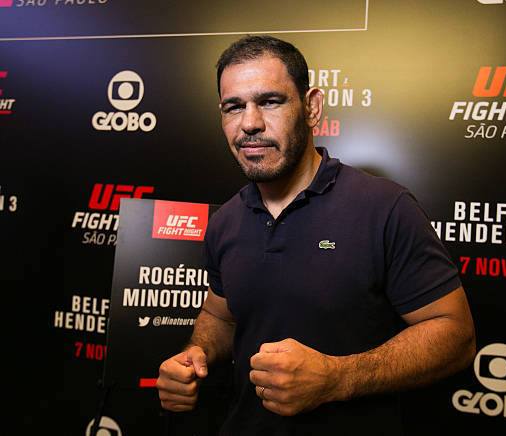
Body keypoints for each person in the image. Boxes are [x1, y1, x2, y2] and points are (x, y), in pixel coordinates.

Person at [156, 35, 476, 435]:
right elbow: (220, 315)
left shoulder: (385, 207)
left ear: (311, 107)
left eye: (270, 101)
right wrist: (195, 354)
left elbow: (456, 335)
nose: (250, 123)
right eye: (233, 107)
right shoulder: (226, 221)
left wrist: (337, 378)